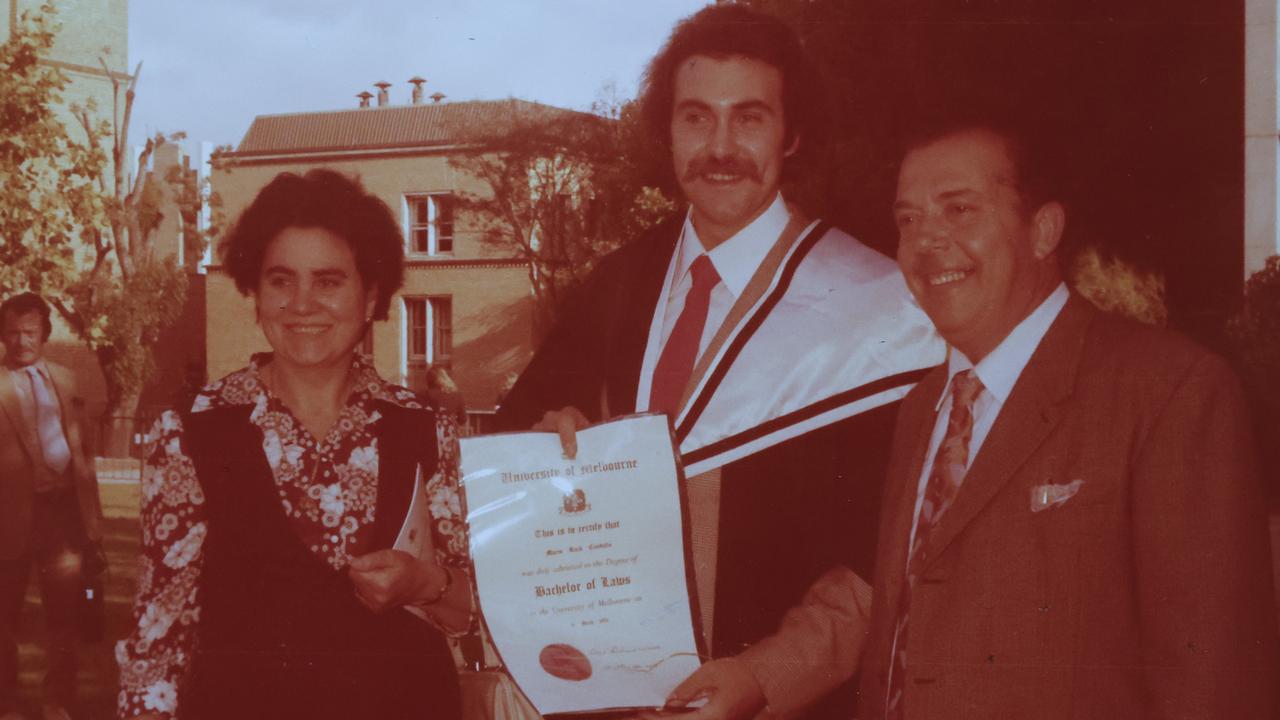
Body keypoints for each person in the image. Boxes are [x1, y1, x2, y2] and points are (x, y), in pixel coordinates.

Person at [494, 6, 941, 718]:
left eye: (751, 118)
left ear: (792, 134)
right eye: (697, 118)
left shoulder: (878, 313)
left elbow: (887, 557)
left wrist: (766, 676)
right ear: (666, 132)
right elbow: (510, 469)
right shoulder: (614, 285)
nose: (721, 147)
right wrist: (545, 453)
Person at [839, 117, 1279, 717]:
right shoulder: (922, 411)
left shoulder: (1170, 392)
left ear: (1043, 230)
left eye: (959, 209)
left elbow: (1214, 683)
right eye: (908, 219)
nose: (925, 241)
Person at [115, 169, 472, 720]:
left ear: (372, 292)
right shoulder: (192, 431)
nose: (302, 303)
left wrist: (429, 582)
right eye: (281, 281)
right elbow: (158, 632)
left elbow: (478, 613)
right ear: (255, 292)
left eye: (328, 281)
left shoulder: (426, 428)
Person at [0, 293, 105, 720]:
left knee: (64, 617)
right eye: (12, 332)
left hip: (63, 517)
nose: (22, 340)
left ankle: (56, 700)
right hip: (7, 518)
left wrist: (93, 524)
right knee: (3, 618)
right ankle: (5, 701)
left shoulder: (67, 378)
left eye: (30, 331)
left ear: (44, 332)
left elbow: (82, 457)